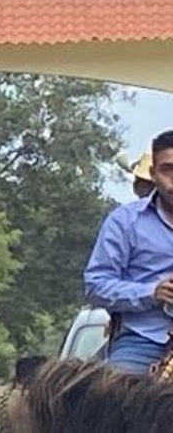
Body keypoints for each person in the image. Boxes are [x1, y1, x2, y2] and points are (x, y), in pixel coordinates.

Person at [85, 129, 173, 374]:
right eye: (168, 170)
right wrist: (151, 293)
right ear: (154, 174)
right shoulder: (124, 221)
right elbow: (95, 285)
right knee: (115, 399)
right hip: (145, 340)